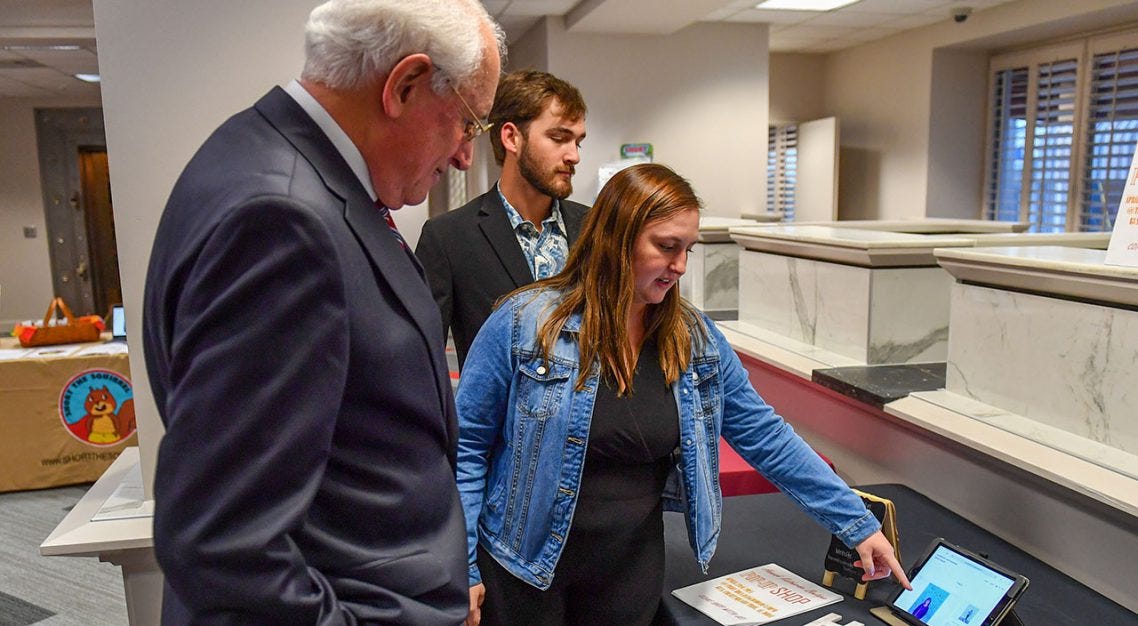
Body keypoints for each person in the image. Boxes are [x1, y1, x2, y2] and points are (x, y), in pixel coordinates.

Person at [142, 1, 504, 623]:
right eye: (468, 123)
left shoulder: (264, 156)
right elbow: (225, 548)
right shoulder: (281, 220)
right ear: (405, 85)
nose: (466, 156)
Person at [455, 163, 911, 625]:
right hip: (524, 565)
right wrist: (464, 565)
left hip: (628, 570)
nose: (680, 267)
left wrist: (855, 524)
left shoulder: (693, 339)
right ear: (615, 239)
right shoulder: (524, 323)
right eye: (666, 247)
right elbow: (467, 449)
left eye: (688, 249)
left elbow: (765, 435)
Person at [416, 69, 588, 369]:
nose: (574, 156)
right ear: (511, 137)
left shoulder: (594, 226)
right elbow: (422, 360)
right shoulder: (449, 238)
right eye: (559, 138)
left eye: (578, 142)